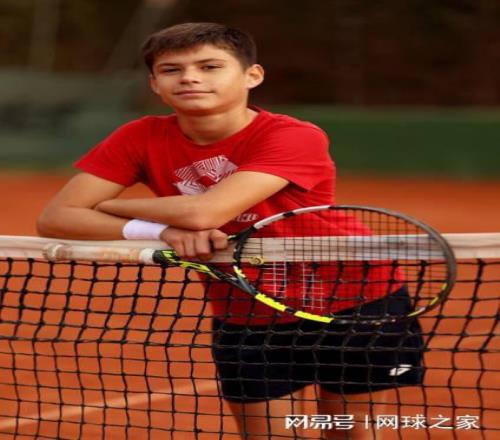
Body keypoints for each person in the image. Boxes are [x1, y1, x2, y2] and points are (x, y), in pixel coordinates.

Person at [37, 22, 424, 440]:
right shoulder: (139, 137)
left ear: (251, 75)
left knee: (351, 434)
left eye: (209, 66)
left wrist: (109, 205)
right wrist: (161, 230)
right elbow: (56, 218)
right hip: (246, 308)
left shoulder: (294, 135)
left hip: (354, 300)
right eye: (172, 70)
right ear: (154, 84)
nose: (189, 78)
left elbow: (204, 213)